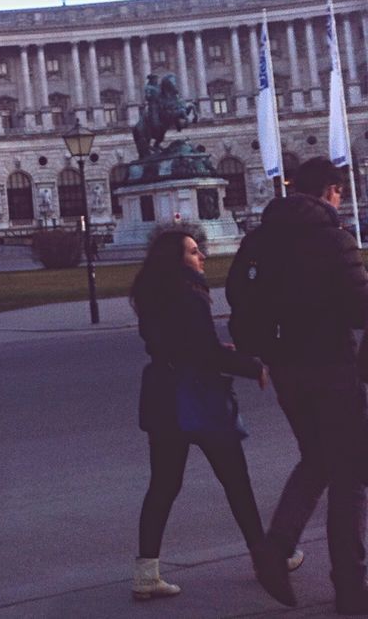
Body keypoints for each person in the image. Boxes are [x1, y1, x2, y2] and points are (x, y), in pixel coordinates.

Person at [229, 157, 368, 614]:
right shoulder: (334, 239)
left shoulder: (258, 240)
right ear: (329, 191)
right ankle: (349, 586)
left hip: (287, 371)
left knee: (318, 459)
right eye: (340, 191)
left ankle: (277, 546)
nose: (341, 198)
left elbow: (238, 300)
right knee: (348, 475)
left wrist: (267, 348)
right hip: (333, 367)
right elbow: (358, 309)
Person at [131, 231, 274, 602]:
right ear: (176, 259)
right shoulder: (189, 295)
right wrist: (250, 365)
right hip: (198, 397)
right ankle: (265, 559)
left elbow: (180, 344)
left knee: (163, 485)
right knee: (236, 482)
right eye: (194, 252)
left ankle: (146, 572)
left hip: (163, 394)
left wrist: (210, 348)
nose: (202, 257)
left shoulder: (151, 293)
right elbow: (205, 353)